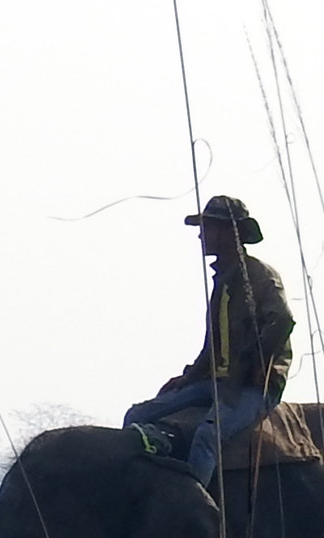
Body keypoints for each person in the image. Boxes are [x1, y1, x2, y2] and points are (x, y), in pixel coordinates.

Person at [124, 193, 293, 484]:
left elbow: (282, 321)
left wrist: (257, 365)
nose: (202, 235)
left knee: (206, 436)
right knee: (138, 414)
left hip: (249, 387)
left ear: (230, 233)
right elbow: (215, 346)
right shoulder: (222, 281)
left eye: (209, 228)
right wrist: (188, 377)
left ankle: (192, 504)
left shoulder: (260, 276)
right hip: (215, 381)